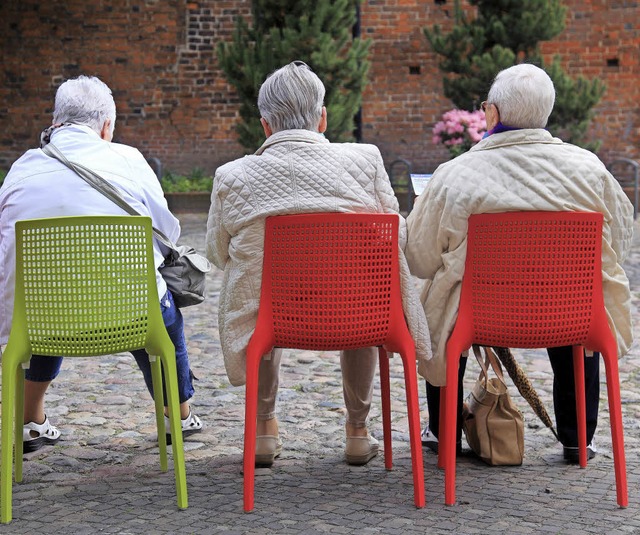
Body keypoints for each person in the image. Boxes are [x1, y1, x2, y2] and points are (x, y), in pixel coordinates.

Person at [206, 61, 431, 467]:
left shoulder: (232, 176)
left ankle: (262, 430)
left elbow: (216, 253)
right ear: (323, 118)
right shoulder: (365, 160)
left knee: (260, 292)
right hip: (356, 313)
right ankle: (358, 432)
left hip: (277, 316)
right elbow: (393, 232)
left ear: (265, 126)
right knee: (366, 289)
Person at [405, 63, 633, 463]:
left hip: (478, 314)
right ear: (546, 114)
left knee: (435, 293)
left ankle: (442, 431)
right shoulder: (590, 170)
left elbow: (419, 259)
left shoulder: (453, 175)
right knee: (579, 292)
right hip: (567, 311)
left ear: (490, 113)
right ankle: (579, 438)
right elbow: (621, 240)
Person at [0, 75, 202, 452]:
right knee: (161, 309)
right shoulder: (128, 159)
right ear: (107, 126)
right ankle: (179, 414)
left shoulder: (21, 170)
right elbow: (166, 230)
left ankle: (31, 420)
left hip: (41, 322)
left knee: (48, 293)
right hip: (129, 317)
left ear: (55, 122)